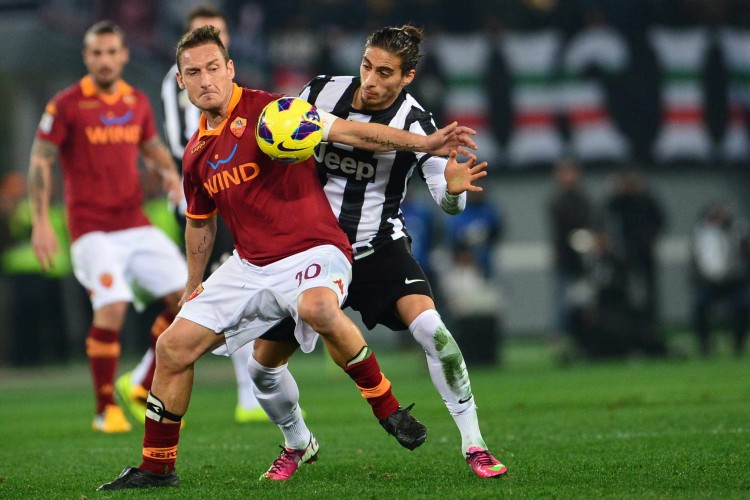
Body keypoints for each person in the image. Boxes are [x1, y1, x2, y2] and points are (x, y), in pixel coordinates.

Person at [98, 25, 475, 490]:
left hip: (314, 249)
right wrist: (192, 284)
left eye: (213, 68)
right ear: (180, 81)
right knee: (173, 348)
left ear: (230, 69)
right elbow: (200, 221)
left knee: (318, 308)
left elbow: (352, 132)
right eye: (193, 73)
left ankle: (389, 409)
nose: (205, 80)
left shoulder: (274, 111)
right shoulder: (196, 154)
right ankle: (157, 467)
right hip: (250, 264)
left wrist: (427, 144)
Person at [252, 24, 506, 480]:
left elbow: (450, 203)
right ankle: (297, 442)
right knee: (261, 370)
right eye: (367, 66)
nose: (370, 80)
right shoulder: (321, 92)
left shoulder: (419, 125)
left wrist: (453, 192)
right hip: (311, 249)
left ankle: (475, 445)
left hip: (377, 250)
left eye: (384, 72)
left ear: (407, 77)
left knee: (435, 334)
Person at [28, 21, 188, 434]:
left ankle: (139, 381)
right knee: (112, 306)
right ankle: (104, 409)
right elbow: (42, 161)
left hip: (134, 223)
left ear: (123, 55)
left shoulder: (136, 101)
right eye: (96, 53)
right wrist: (42, 222)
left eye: (111, 52)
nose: (104, 60)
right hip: (91, 231)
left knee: (187, 301)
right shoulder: (64, 105)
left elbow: (152, 149)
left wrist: (170, 176)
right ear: (86, 57)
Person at [116, 4, 266, 426]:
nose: (203, 74)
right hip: (200, 198)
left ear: (226, 45)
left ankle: (144, 375)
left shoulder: (233, 85)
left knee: (216, 297)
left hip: (229, 194)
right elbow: (187, 141)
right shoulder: (175, 85)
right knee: (222, 295)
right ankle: (247, 396)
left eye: (216, 33)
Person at [690, 202, 750, 357]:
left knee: (743, 306)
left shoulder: (738, 231)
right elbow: (695, 262)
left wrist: (736, 275)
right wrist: (704, 278)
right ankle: (705, 346)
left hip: (734, 283)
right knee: (700, 306)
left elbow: (744, 259)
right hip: (709, 283)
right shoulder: (700, 233)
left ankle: (739, 345)